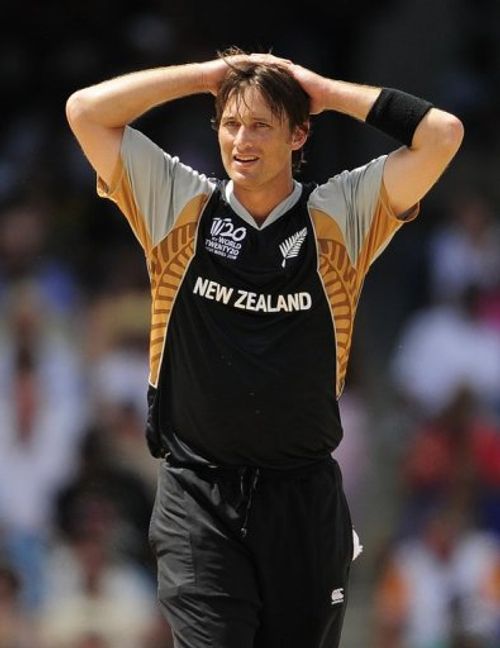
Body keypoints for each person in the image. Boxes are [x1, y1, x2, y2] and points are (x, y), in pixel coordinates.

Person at [66, 48, 463, 648]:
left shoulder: (340, 215)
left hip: (304, 501)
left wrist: (325, 90)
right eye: (230, 124)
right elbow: (86, 111)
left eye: (260, 125)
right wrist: (205, 78)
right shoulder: (177, 205)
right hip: (199, 495)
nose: (241, 141)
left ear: (299, 134)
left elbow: (442, 135)